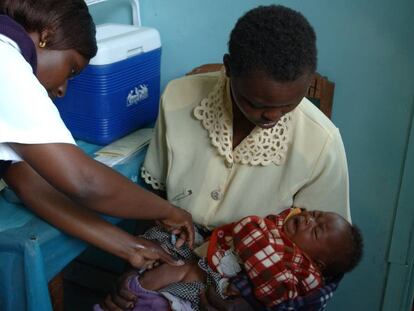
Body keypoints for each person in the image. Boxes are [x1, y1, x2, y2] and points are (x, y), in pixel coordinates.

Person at [102, 4, 351, 310]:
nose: (272, 115)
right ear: (229, 67)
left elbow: (322, 268)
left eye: (289, 105)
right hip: (171, 250)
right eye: (256, 102)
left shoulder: (322, 142)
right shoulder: (178, 97)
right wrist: (135, 269)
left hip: (244, 283)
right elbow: (156, 200)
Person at [0, 0, 194, 269]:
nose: (61, 90)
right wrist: (169, 211)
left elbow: (29, 183)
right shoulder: (6, 59)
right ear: (47, 35)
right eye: (71, 70)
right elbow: (85, 182)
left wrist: (130, 247)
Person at [94, 208, 363, 311]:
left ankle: (143, 296)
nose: (307, 219)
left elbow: (284, 296)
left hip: (218, 291)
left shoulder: (304, 271)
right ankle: (135, 290)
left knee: (182, 279)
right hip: (202, 252)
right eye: (314, 214)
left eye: (315, 229)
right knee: (171, 255)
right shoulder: (283, 222)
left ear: (319, 263)